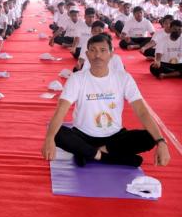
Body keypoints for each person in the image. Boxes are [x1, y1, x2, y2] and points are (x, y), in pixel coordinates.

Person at [41, 33, 170, 167]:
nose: (97, 55)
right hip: (83, 136)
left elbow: (142, 111)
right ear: (87, 54)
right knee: (57, 133)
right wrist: (49, 138)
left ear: (111, 54)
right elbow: (61, 110)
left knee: (150, 137)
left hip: (114, 138)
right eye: (93, 50)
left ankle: (89, 153)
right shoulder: (77, 79)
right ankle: (104, 156)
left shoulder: (123, 78)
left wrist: (161, 142)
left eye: (103, 50)